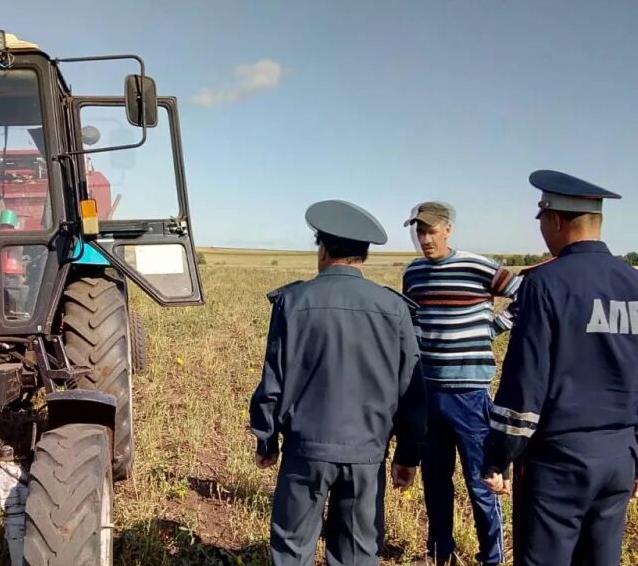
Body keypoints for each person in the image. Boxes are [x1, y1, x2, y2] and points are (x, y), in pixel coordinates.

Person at [249, 199, 426, 566]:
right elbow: (411, 388)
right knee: (358, 554)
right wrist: (408, 453)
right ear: (363, 255)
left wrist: (266, 439)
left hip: (305, 453)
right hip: (367, 456)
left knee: (292, 550)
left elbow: (274, 380)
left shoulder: (293, 302)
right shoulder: (393, 308)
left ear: (323, 249)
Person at [482, 169, 638, 566]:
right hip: (620, 454)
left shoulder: (545, 284)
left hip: (559, 459)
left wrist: (499, 455)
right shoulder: (633, 284)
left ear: (554, 220)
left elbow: (524, 385)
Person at [401, 201, 519, 566]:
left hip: (469, 394)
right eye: (419, 231)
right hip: (428, 393)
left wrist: (493, 328)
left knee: (481, 482)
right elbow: (412, 322)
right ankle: (440, 555)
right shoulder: (414, 273)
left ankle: (492, 558)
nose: (425, 238)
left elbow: (526, 296)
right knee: (435, 482)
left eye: (431, 231)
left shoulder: (476, 266)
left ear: (448, 229)